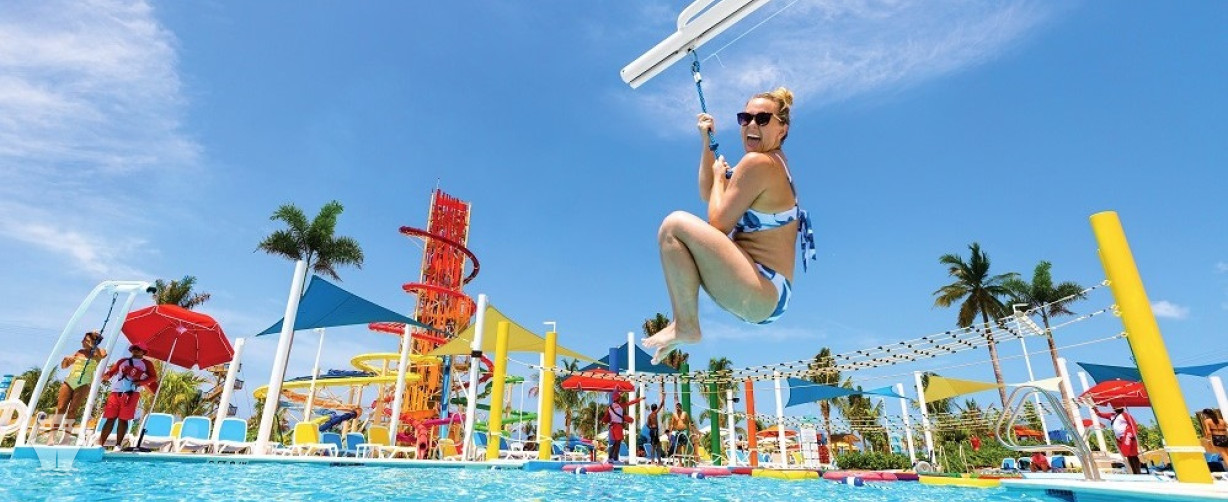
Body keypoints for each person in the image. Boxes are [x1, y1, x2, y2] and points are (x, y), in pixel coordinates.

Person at [642, 87, 816, 364]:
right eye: (745, 118)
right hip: (762, 293)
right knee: (678, 230)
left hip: (761, 290)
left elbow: (717, 223)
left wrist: (719, 179)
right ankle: (685, 324)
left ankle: (686, 324)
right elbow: (708, 193)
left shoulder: (759, 163)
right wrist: (706, 144)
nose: (751, 125)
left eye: (762, 119)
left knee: (673, 226)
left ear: (782, 129)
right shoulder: (769, 164)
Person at [97, 343, 158, 449]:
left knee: (123, 419)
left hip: (132, 393)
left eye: (139, 349)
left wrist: (140, 383)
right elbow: (111, 373)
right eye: (134, 348)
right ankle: (100, 445)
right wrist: (104, 374)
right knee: (110, 418)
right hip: (116, 392)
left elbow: (154, 377)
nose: (136, 350)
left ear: (144, 351)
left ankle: (118, 445)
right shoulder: (122, 361)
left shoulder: (147, 363)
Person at [53, 331, 107, 427]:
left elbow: (102, 356)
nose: (82, 341)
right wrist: (65, 360)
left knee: (72, 410)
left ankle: (67, 434)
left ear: (92, 342)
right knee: (60, 408)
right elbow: (64, 366)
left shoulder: (100, 351)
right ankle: (52, 434)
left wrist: (93, 346)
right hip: (69, 381)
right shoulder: (80, 352)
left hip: (84, 383)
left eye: (85, 340)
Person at [1095, 405, 1141, 474]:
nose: (1116, 408)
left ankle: (1138, 472)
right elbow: (1100, 414)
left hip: (1128, 437)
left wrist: (1133, 434)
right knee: (1128, 455)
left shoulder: (1125, 415)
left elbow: (1133, 424)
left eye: (1118, 407)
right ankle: (1134, 472)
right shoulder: (1112, 416)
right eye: (1115, 407)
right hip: (1120, 439)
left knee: (1133, 455)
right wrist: (1094, 408)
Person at [602, 392, 644, 463]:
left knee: (615, 443)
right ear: (618, 398)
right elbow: (631, 402)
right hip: (618, 426)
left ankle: (610, 458)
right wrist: (640, 399)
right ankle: (615, 459)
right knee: (618, 443)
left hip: (612, 426)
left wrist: (604, 422)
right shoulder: (620, 405)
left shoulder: (610, 407)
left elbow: (606, 417)